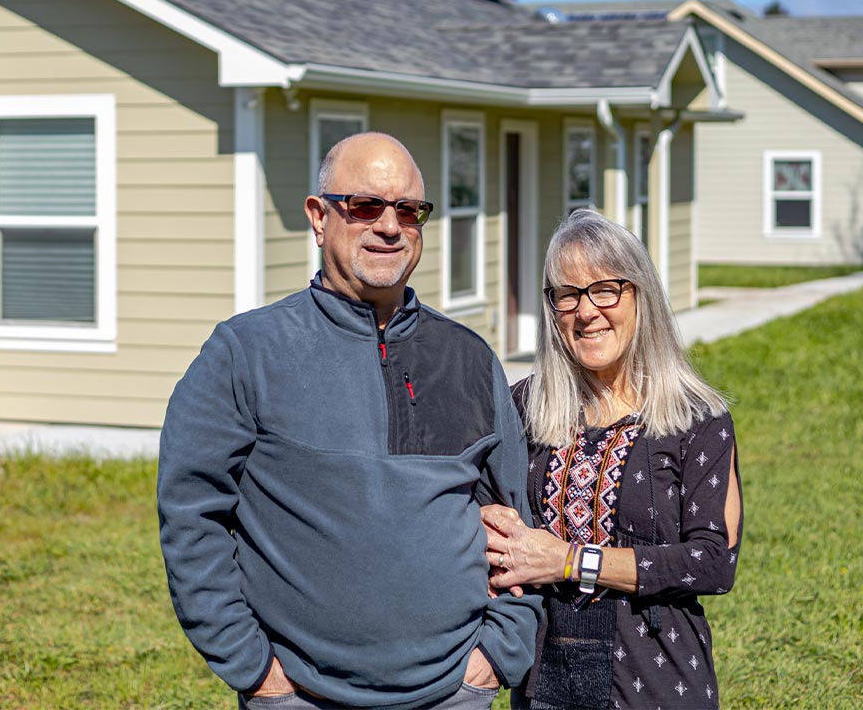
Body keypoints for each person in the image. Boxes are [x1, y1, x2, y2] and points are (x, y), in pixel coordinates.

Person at [158, 132, 542, 709]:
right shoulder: (246, 352)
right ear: (318, 217)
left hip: (452, 692)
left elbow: (518, 519)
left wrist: (494, 659)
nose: (389, 225)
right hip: (299, 694)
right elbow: (191, 515)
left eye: (409, 211)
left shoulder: (467, 357)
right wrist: (254, 669)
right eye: (364, 206)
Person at [481, 209, 742, 710]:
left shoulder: (697, 418)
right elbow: (484, 515)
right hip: (544, 677)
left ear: (640, 295)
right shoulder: (523, 408)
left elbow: (713, 563)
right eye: (567, 294)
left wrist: (571, 561)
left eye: (606, 289)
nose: (586, 311)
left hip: (658, 678)